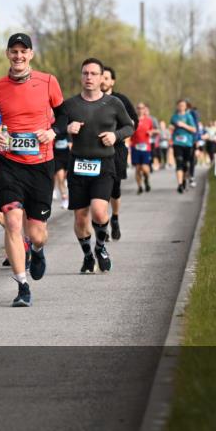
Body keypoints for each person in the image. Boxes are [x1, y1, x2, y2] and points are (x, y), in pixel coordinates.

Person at [0, 33, 65, 307]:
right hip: (9, 164)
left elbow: (64, 117)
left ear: (31, 54)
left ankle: (37, 249)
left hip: (41, 165)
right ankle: (22, 286)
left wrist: (52, 132)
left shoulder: (49, 81)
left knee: (37, 232)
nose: (18, 56)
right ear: (8, 54)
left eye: (23, 51)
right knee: (13, 222)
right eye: (13, 51)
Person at [62, 59, 135, 274]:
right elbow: (54, 127)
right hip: (77, 164)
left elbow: (129, 126)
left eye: (94, 73)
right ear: (81, 76)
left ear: (102, 77)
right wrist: (68, 127)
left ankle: (101, 247)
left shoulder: (113, 103)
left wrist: (115, 135)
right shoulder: (70, 105)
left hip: (104, 163)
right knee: (80, 217)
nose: (89, 77)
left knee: (99, 212)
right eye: (85, 73)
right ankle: (87, 256)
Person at [99, 66, 137, 241]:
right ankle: (103, 224)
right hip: (97, 149)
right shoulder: (92, 99)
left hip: (117, 148)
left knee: (114, 188)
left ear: (112, 81)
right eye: (101, 77)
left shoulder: (121, 100)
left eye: (107, 78)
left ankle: (114, 217)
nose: (103, 81)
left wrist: (118, 134)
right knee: (101, 189)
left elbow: (133, 122)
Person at [169, 99, 198, 193]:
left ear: (186, 107)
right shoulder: (174, 117)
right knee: (179, 162)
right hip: (177, 143)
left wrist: (184, 125)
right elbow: (171, 127)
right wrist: (171, 128)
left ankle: (184, 180)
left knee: (186, 165)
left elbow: (194, 130)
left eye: (183, 105)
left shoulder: (189, 116)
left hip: (188, 144)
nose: (181, 106)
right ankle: (180, 185)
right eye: (179, 105)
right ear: (177, 106)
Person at [131, 102, 155, 194]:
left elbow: (153, 130)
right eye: (138, 108)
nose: (140, 109)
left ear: (145, 109)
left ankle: (147, 179)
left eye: (142, 108)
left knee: (145, 168)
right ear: (136, 109)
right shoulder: (132, 120)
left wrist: (151, 132)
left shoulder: (148, 120)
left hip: (146, 147)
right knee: (137, 168)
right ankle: (139, 187)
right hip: (135, 146)